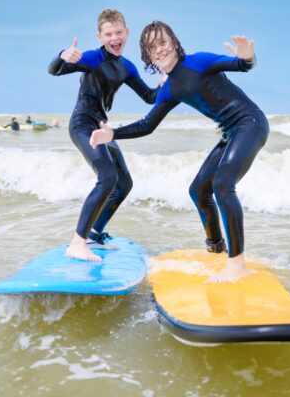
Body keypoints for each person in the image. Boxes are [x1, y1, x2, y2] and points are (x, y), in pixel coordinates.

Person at [90, 21, 268, 283]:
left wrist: (248, 57)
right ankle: (217, 250)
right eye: (152, 48)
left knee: (222, 184)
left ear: (174, 42)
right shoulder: (170, 89)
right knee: (198, 191)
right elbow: (147, 125)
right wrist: (112, 134)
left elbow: (242, 65)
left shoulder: (199, 62)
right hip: (230, 133)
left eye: (162, 42)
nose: (159, 50)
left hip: (250, 123)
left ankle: (237, 263)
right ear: (148, 57)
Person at [49, 8, 164, 261]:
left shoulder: (127, 67)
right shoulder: (92, 58)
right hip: (82, 124)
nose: (114, 38)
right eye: (108, 34)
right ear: (100, 37)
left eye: (118, 32)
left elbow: (149, 97)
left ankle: (93, 234)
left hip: (101, 128)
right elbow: (55, 70)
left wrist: (162, 85)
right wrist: (62, 55)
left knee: (124, 183)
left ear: (127, 33)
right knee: (108, 176)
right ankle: (77, 243)